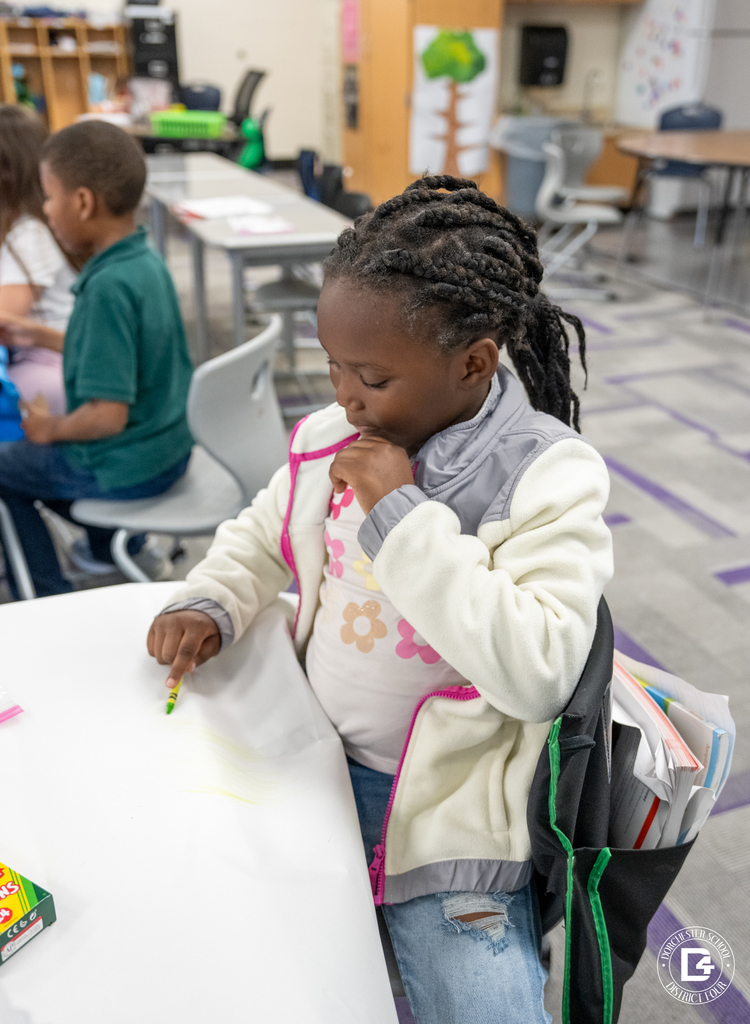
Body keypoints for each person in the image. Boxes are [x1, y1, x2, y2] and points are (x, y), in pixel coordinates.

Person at [146, 176, 614, 1024]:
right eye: (332, 364)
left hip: (454, 815)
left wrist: (400, 514)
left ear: (473, 362)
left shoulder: (547, 475)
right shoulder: (334, 436)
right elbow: (263, 533)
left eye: (370, 376)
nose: (343, 396)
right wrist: (213, 598)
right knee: (222, 955)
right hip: (309, 761)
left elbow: (541, 672)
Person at [0, 120, 194, 599]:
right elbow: (123, 352)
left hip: (128, 465)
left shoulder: (105, 288)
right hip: (168, 449)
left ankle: (44, 595)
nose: (46, 210)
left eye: (50, 198)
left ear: (83, 202)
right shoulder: (144, 262)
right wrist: (38, 334)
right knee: (35, 463)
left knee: (7, 466)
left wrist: (49, 429)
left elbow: (107, 417)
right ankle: (110, 548)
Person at [0, 104, 78, 418]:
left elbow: (4, 316)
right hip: (39, 356)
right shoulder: (24, 226)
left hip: (50, 362)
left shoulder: (30, 235)